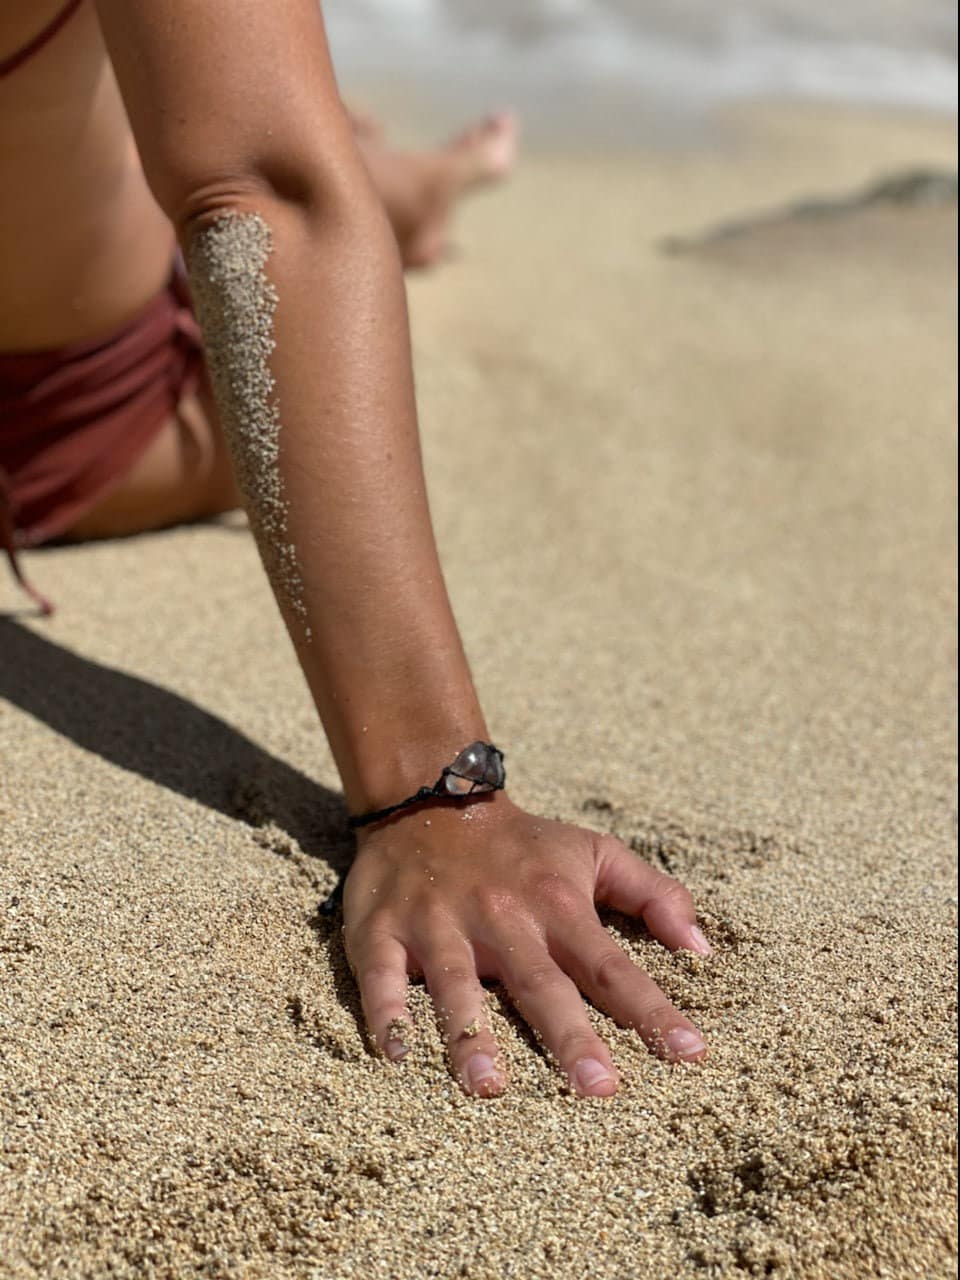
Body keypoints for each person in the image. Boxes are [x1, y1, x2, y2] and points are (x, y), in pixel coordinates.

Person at [0, 0, 711, 1099]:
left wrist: (434, 792)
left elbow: (260, 194)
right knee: (243, 111)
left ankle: (410, 185)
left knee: (258, 129)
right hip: (76, 362)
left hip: (90, 402)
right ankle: (394, 172)